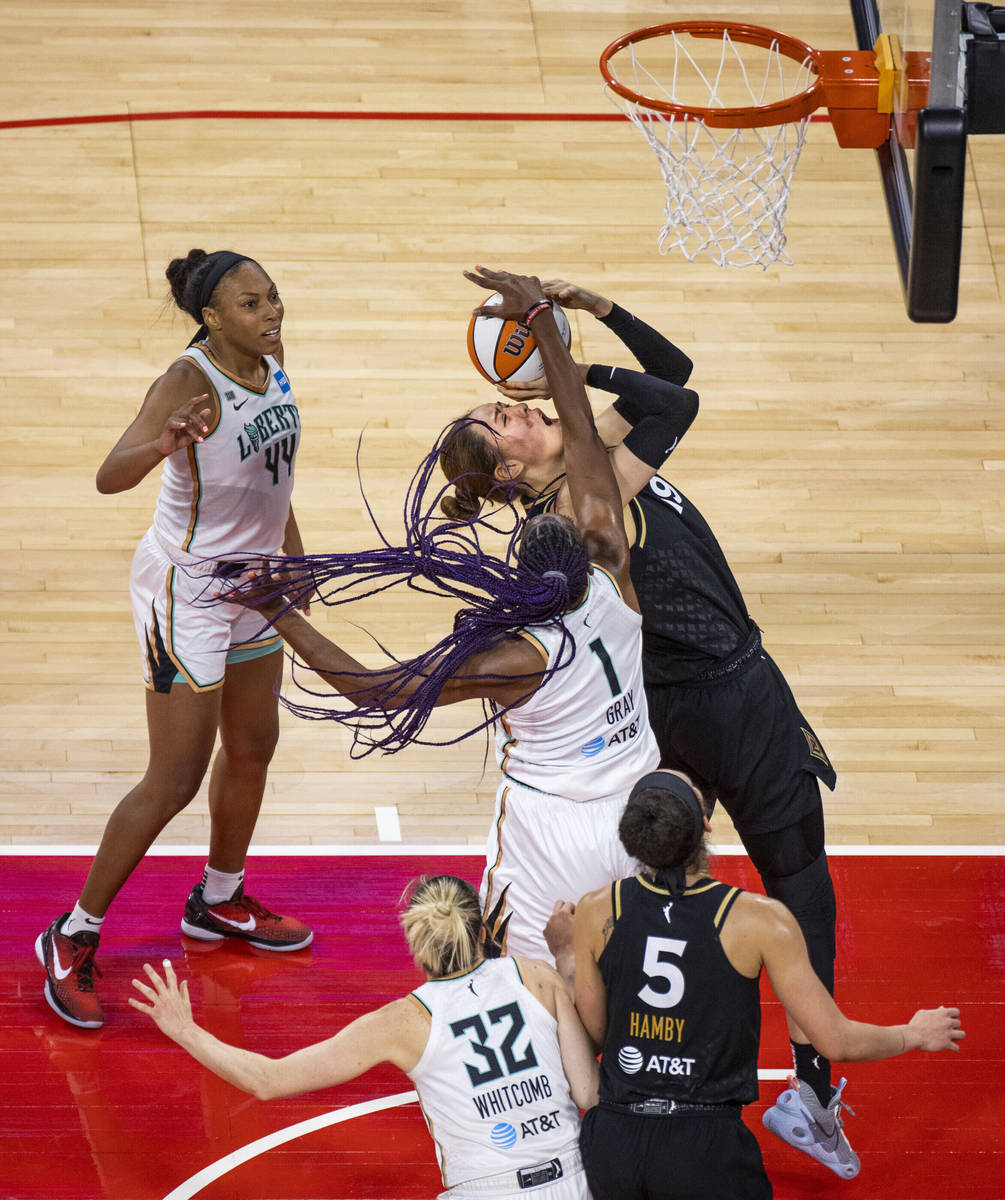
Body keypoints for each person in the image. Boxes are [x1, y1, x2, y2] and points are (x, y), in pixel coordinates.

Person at [437, 278, 847, 1159]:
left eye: (509, 402)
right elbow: (676, 398)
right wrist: (563, 365)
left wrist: (590, 320)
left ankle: (721, 1082)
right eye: (500, 419)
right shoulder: (589, 498)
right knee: (786, 884)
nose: (515, 408)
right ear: (509, 471)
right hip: (715, 701)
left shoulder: (588, 469)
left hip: (692, 705)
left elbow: (673, 380)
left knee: (699, 892)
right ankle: (725, 1084)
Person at [223, 266, 661, 959]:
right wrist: (542, 318)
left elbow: (374, 693)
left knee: (540, 998)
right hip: (641, 819)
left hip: (556, 837)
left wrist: (277, 609)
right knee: (630, 987)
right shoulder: (613, 575)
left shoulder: (518, 658)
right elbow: (581, 440)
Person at [35, 249, 313, 1032]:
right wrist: (163, 442)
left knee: (255, 742)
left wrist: (293, 558)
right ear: (211, 318)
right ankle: (70, 935)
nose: (271, 313)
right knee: (175, 777)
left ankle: (218, 901)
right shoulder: (187, 382)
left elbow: (274, 478)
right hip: (186, 588)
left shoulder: (270, 357)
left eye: (273, 297)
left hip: (254, 580)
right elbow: (108, 475)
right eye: (251, 304)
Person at [550, 770, 964, 1196]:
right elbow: (836, 1042)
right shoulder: (760, 920)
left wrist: (565, 956)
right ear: (705, 824)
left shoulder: (599, 909)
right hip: (704, 1150)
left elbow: (596, 1036)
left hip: (616, 1143)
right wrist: (913, 1034)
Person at [130, 874, 598, 1199]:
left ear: (415, 946)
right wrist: (565, 956)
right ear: (482, 930)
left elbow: (267, 1080)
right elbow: (589, 1093)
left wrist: (185, 1030)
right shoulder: (536, 975)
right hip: (580, 1181)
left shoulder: (403, 1021)